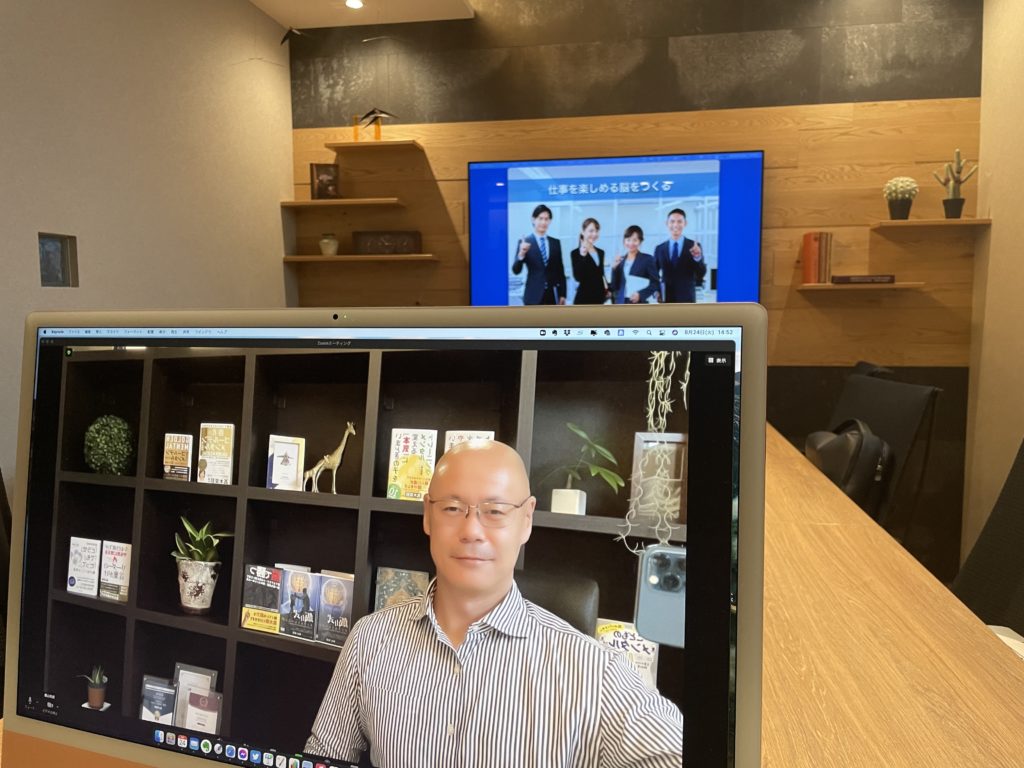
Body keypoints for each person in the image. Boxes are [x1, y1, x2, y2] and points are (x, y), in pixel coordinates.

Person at [306, 440, 683, 767]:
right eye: (452, 508)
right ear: (428, 515)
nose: (471, 530)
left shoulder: (596, 672)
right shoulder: (370, 639)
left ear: (526, 520)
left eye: (495, 511)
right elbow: (323, 756)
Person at [511, 204, 566, 305]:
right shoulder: (524, 242)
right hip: (532, 296)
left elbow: (560, 271)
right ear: (533, 220)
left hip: (552, 296)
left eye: (546, 219)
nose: (543, 222)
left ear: (550, 221)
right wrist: (521, 254)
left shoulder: (555, 243)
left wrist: (563, 294)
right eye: (540, 218)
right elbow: (516, 270)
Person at [654, 208, 707, 303]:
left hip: (687, 299)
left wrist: (697, 257)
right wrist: (657, 291)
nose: (675, 225)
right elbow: (654, 274)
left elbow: (701, 273)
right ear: (667, 223)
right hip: (666, 298)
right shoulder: (659, 248)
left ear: (685, 223)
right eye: (672, 221)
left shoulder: (694, 247)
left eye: (679, 221)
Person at [609, 225, 660, 304]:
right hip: (621, 304)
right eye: (628, 240)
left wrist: (640, 294)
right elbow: (614, 287)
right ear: (624, 241)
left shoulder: (647, 259)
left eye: (635, 240)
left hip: (639, 304)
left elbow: (655, 283)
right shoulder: (620, 261)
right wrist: (614, 269)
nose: (631, 243)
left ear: (640, 241)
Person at [571, 217, 609, 304]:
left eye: (596, 231)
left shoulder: (601, 252)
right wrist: (583, 256)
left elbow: (601, 275)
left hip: (599, 298)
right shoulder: (575, 253)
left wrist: (608, 289)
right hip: (584, 299)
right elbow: (577, 277)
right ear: (583, 232)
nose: (594, 234)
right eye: (591, 231)